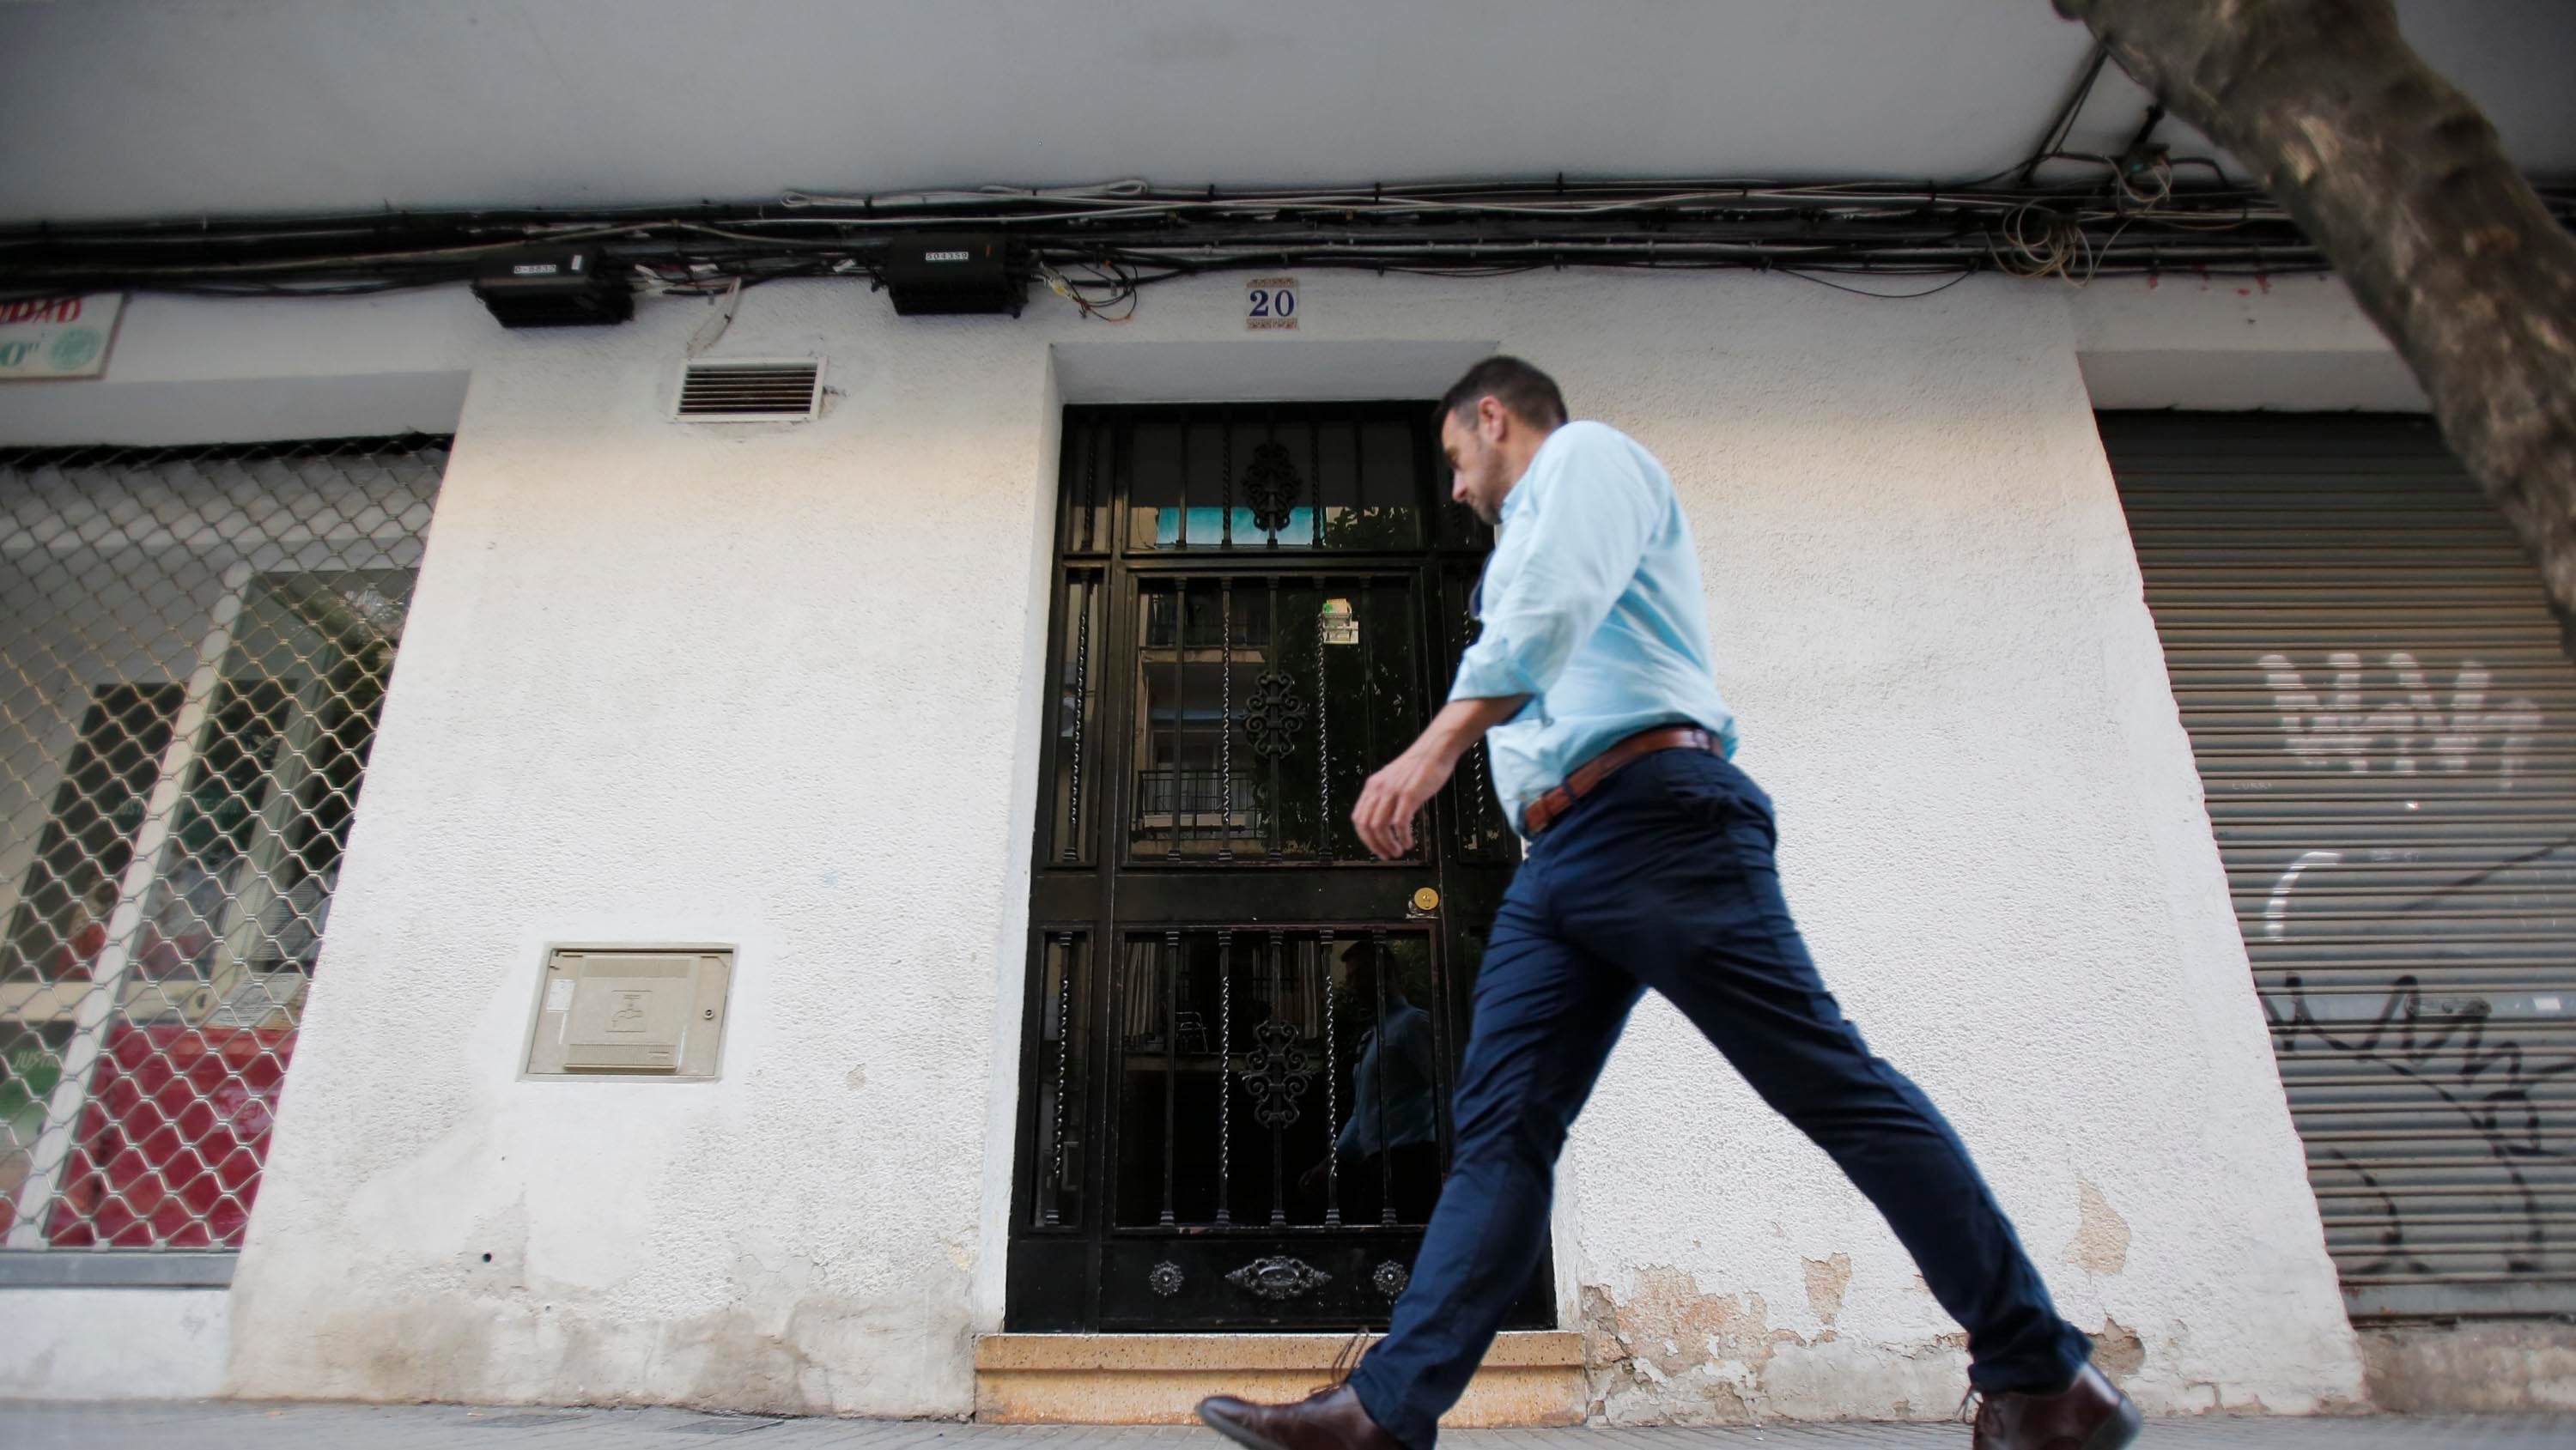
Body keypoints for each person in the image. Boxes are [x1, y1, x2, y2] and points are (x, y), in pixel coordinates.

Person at [1194, 358, 2140, 1450]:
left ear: (1492, 418)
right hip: (1562, 858)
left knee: (1833, 1088)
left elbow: (1551, 612)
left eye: (1456, 460)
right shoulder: (1522, 543)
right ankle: (1386, 1413)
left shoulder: (1589, 460)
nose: (1455, 489)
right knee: (1500, 1129)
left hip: (1661, 817)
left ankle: (2044, 1372)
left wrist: (1431, 749)